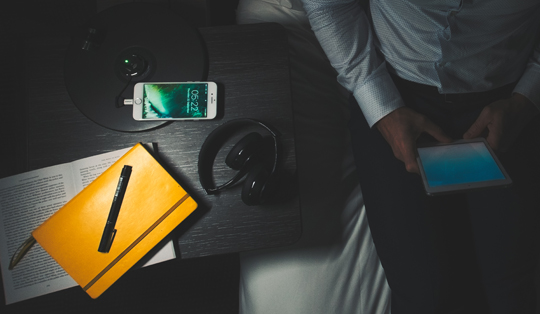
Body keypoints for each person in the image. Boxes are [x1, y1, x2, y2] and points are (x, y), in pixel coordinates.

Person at [300, 0, 540, 313]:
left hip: (510, 96)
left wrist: (528, 97)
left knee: (511, 290)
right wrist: (381, 106)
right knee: (423, 295)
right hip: (397, 91)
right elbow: (328, 5)